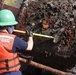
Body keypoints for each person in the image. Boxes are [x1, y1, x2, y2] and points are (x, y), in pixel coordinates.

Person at [0, 9, 33, 75]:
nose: (13, 28)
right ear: (7, 27)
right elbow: (29, 47)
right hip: (11, 73)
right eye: (12, 26)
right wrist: (30, 36)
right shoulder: (13, 40)